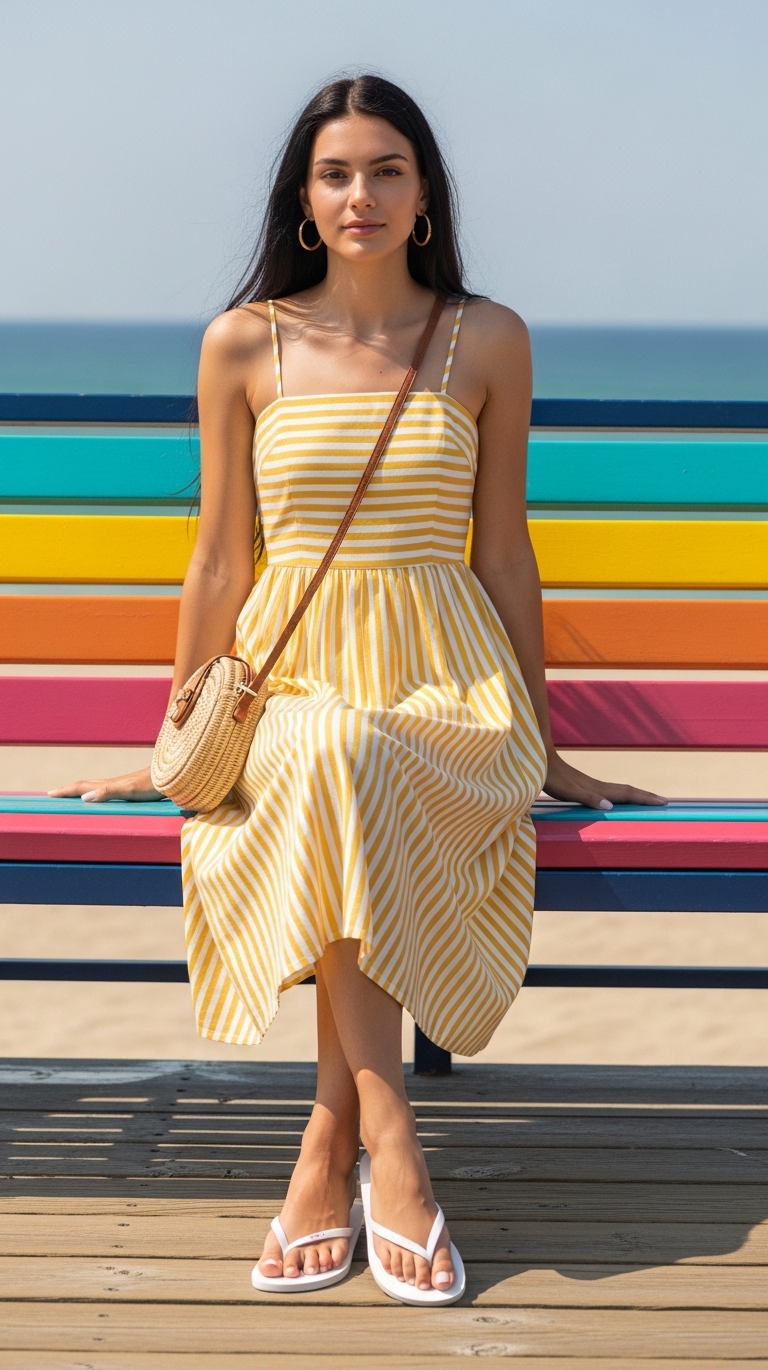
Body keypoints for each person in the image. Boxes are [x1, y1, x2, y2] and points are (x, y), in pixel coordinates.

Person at [52, 74, 665, 1302]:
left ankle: (335, 1143)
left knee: (354, 753)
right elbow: (223, 555)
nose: (361, 194)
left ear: (425, 193)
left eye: (387, 169)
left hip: (447, 683)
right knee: (330, 746)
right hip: (294, 686)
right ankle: (385, 1143)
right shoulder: (248, 340)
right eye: (337, 173)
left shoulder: (485, 337)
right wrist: (177, 733)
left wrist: (542, 742)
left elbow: (503, 551)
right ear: (303, 198)